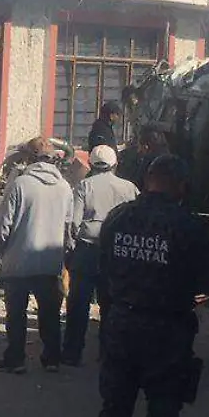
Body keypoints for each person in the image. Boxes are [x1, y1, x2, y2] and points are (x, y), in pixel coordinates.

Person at [94, 155, 209, 417]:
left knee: (114, 411)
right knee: (162, 416)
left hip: (120, 323)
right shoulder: (188, 225)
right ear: (181, 185)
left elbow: (103, 269)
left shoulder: (118, 217)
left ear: (148, 179)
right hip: (166, 330)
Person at [0, 137, 71, 375]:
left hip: (19, 261)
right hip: (50, 261)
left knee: (16, 313)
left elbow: (4, 224)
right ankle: (52, 358)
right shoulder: (64, 187)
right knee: (50, 313)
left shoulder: (20, 184)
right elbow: (69, 228)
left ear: (29, 158)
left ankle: (16, 359)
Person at [63, 145, 137, 367]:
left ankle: (72, 353)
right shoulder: (129, 188)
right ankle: (108, 353)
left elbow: (74, 223)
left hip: (87, 249)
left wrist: (70, 250)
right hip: (118, 252)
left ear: (91, 164)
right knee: (111, 305)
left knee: (78, 304)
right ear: (115, 164)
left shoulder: (84, 186)